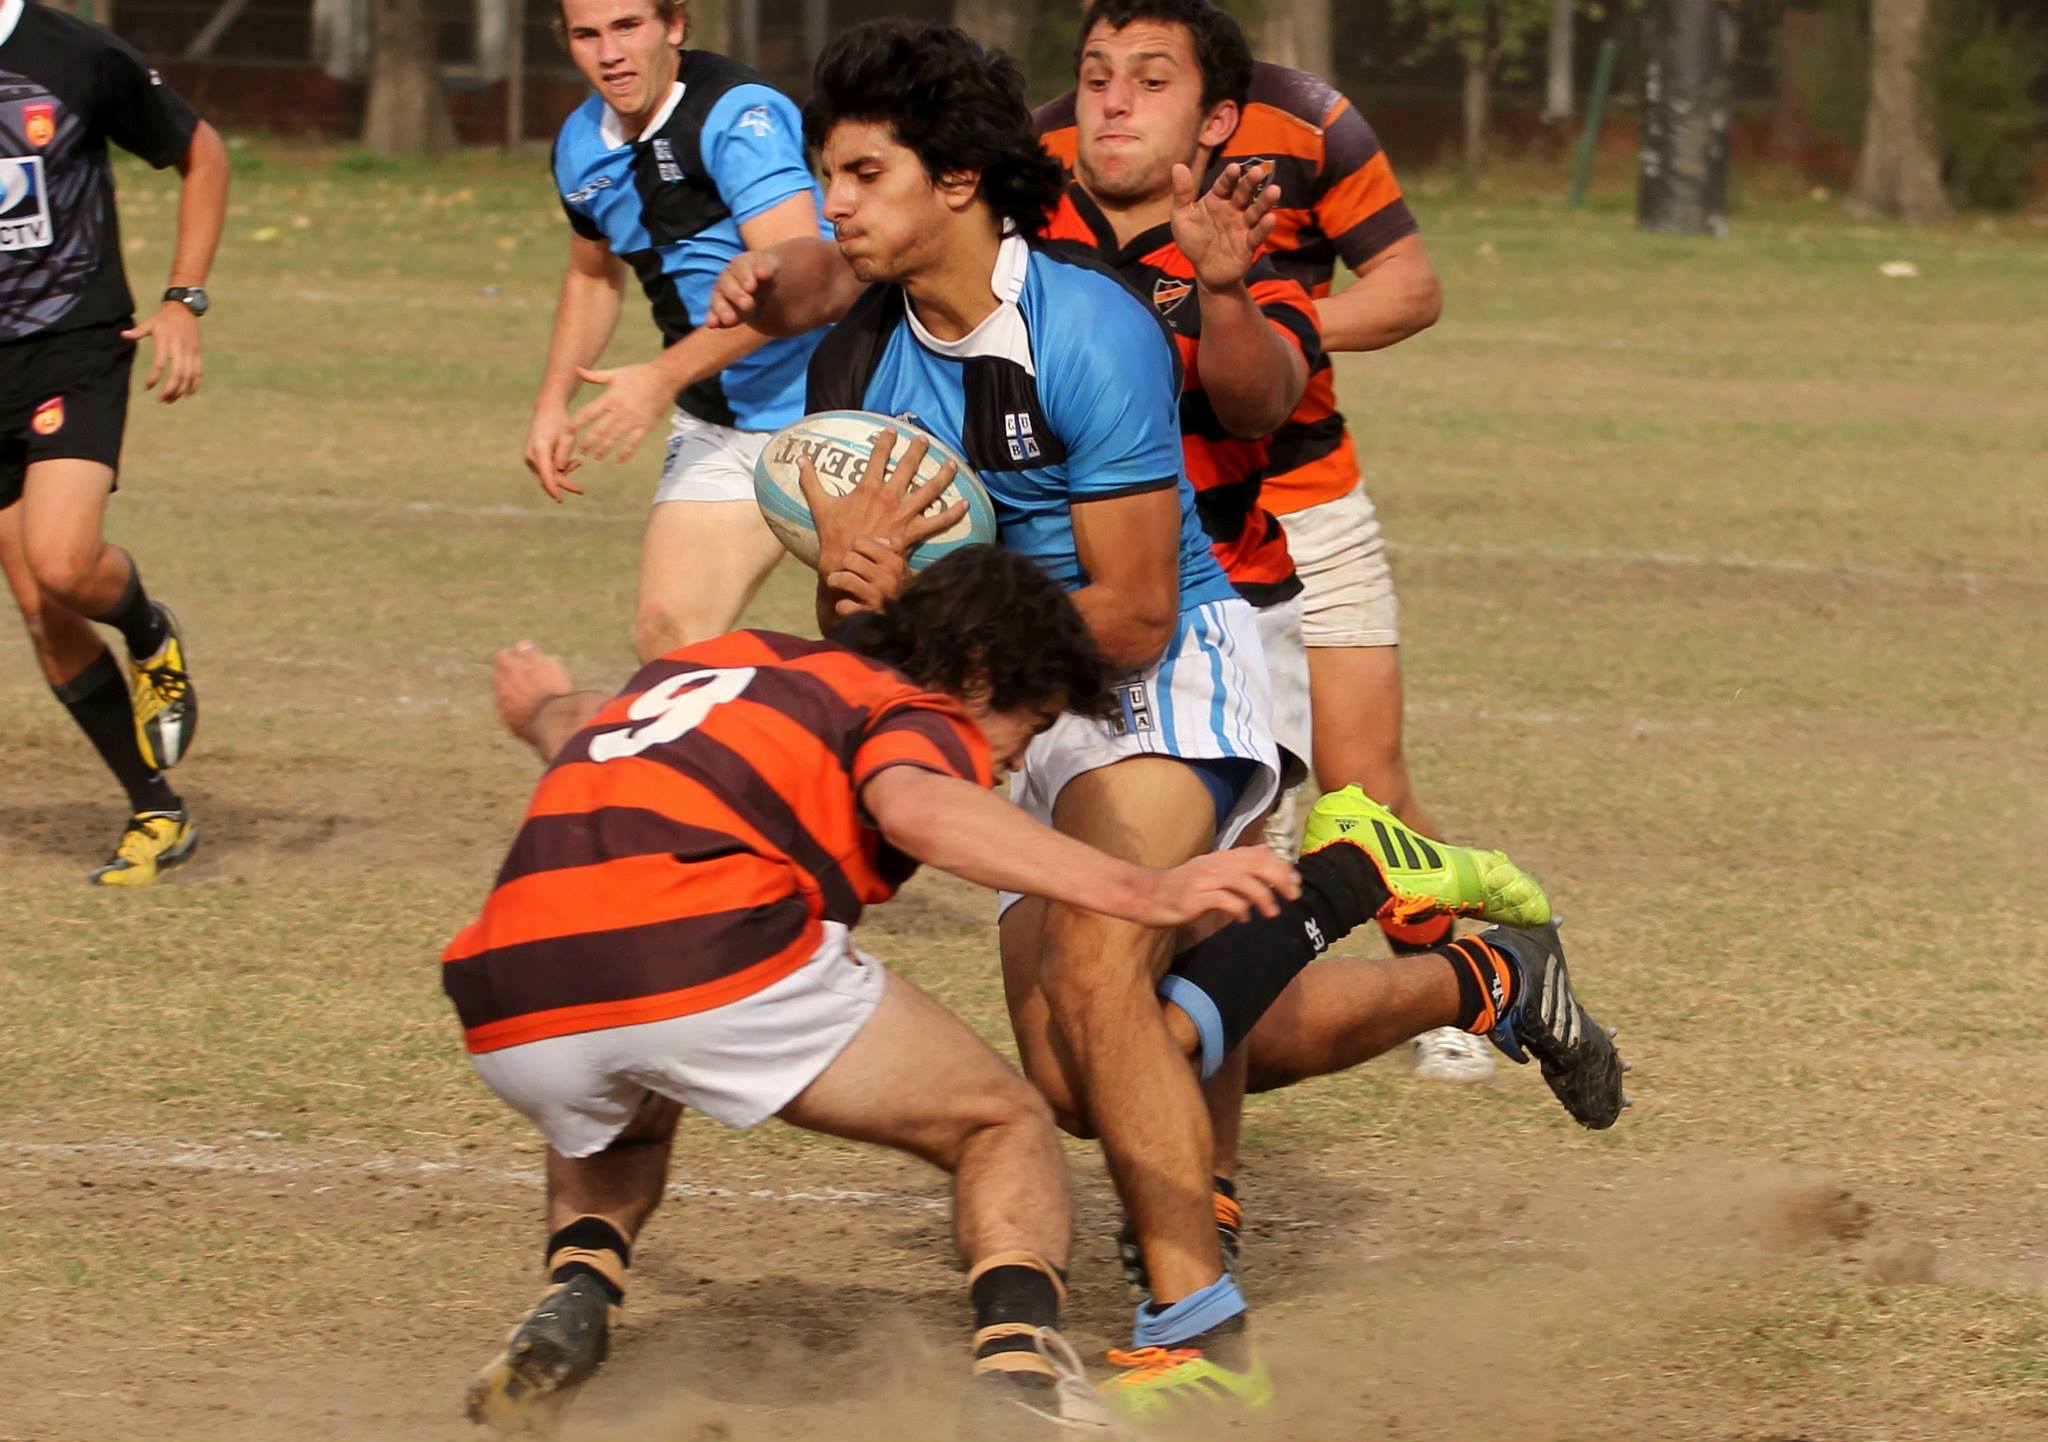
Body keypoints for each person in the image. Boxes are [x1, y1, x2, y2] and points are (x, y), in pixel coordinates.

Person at [706, 17, 1286, 1402]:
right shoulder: (852, 369)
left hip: (1155, 679)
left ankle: (1196, 1321)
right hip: (1013, 702)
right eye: (824, 176)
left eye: (858, 174)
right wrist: (855, 591)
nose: (829, 206)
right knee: (1084, 1073)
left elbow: (1136, 610)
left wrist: (923, 620)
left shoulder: (1086, 324)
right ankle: (1447, 964)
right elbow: (870, 651)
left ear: (956, 180)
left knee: (1099, 957)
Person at [452, 544, 1302, 1439]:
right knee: (1003, 1124)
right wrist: (1143, 890)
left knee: (634, 1070)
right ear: (976, 674)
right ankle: (1024, 1385)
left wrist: (540, 708)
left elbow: (579, 722)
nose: (1014, 765)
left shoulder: (718, 663)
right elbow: (914, 808)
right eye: (1030, 722)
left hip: (515, 989)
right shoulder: (905, 705)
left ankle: (575, 1291)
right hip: (701, 953)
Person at [1039, 29, 1491, 1080]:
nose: (1116, 98)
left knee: (1359, 779)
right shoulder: (1063, 139)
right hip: (1156, 516)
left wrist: (1238, 312)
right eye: (1100, 74)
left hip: (1302, 489)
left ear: (1210, 102)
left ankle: (1449, 978)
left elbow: (1410, 288)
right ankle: (1211, 1146)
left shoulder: (1309, 118)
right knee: (1225, 859)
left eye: (1149, 78)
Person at [0, 0, 227, 884]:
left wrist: (184, 298)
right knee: (38, 606)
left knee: (61, 562)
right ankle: (156, 810)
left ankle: (145, 629)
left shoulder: (74, 53)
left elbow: (201, 152)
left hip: (73, 344)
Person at [529, 0, 829, 661]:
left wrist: (660, 377)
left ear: (674, 25)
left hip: (842, 408)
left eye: (627, 26)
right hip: (723, 418)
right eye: (587, 34)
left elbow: (800, 286)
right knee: (669, 643)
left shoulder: (737, 115)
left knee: (892, 645)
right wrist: (552, 402)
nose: (609, 53)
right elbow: (591, 276)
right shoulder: (580, 147)